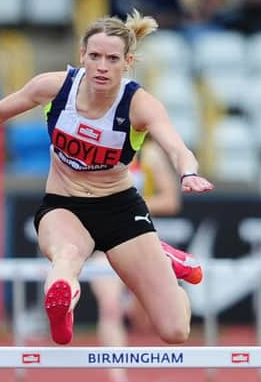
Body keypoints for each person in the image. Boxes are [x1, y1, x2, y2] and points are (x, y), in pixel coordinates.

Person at [0, 9, 214, 346]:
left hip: (121, 211)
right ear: (81, 55)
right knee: (66, 256)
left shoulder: (139, 104)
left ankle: (162, 258)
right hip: (64, 206)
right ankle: (61, 303)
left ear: (127, 62)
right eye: (94, 56)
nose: (101, 66)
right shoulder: (56, 87)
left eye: (112, 59)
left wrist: (188, 172)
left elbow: (176, 146)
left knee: (174, 330)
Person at [90, 137, 203, 382]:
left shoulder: (148, 154)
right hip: (103, 246)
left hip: (140, 243)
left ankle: (174, 284)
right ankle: (117, 377)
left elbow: (171, 201)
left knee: (145, 321)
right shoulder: (92, 149)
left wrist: (126, 207)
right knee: (110, 307)